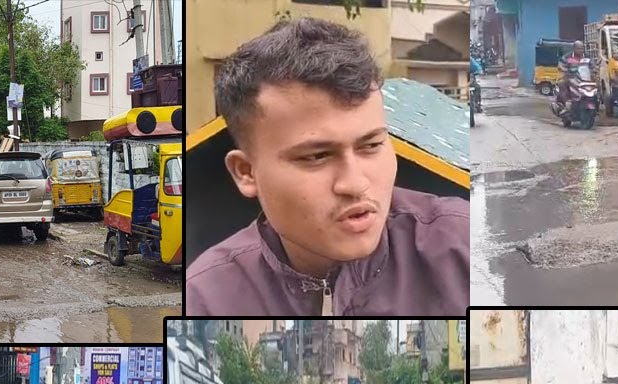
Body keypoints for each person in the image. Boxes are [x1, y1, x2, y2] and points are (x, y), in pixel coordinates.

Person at [186, 18, 469, 316]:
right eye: (317, 156)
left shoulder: (462, 249)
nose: (355, 183)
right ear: (246, 171)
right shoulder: (207, 298)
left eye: (371, 146)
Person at [554, 40, 589, 110]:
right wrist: (566, 70)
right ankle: (566, 103)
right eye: (579, 48)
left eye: (582, 48)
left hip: (585, 78)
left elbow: (593, 66)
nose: (581, 50)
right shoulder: (567, 57)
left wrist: (595, 71)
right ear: (574, 49)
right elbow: (560, 65)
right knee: (561, 83)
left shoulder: (587, 57)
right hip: (571, 78)